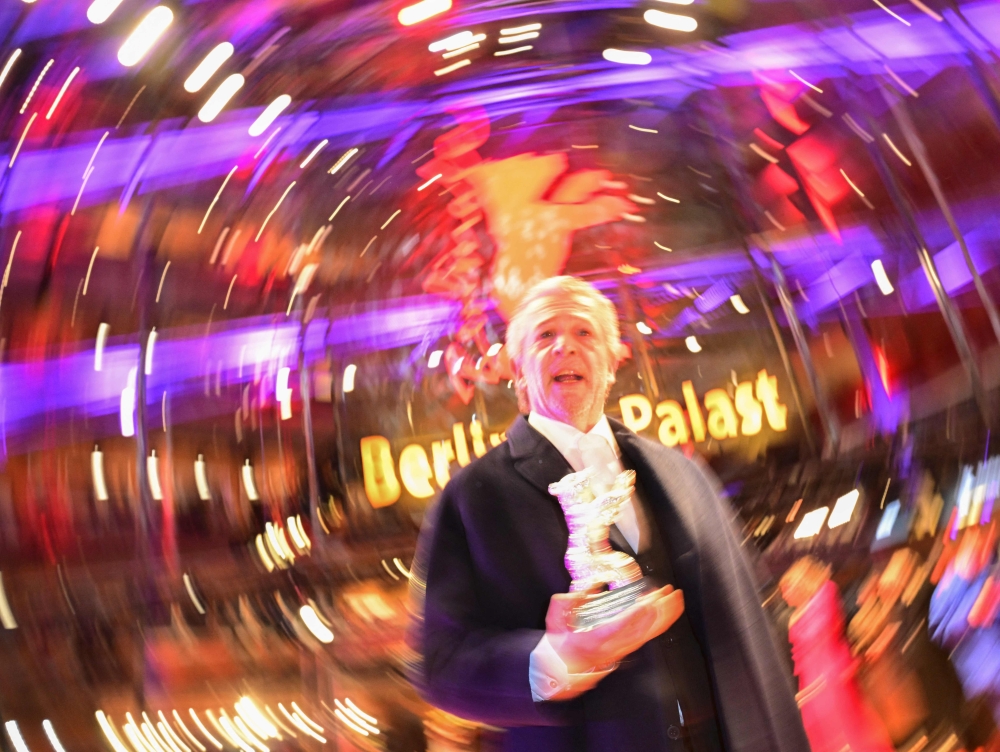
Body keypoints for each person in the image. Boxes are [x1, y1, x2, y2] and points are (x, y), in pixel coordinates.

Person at [410, 276, 808, 751]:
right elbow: (441, 665)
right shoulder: (471, 497)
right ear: (518, 370)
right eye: (545, 335)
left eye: (584, 333)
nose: (566, 348)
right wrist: (553, 660)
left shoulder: (682, 471)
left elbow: (750, 609)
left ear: (612, 361)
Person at [779, 556, 895, 752]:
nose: (785, 596)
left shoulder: (826, 593)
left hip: (833, 675)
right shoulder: (792, 618)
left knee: (852, 728)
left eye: (787, 588)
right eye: (783, 591)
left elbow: (825, 630)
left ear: (801, 582)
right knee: (825, 738)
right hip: (811, 685)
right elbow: (800, 658)